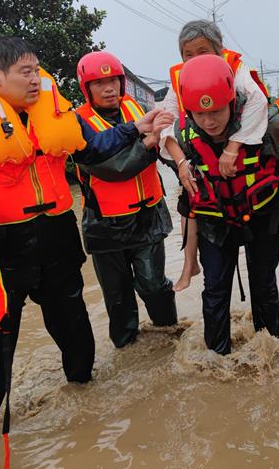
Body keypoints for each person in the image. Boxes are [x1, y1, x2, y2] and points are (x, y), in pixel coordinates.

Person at [0, 37, 173, 411]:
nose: (35, 79)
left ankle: (85, 399)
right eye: (25, 72)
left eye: (37, 71)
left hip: (57, 239)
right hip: (1, 247)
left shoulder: (53, 115)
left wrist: (136, 128)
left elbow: (94, 147)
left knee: (75, 331)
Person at [160, 20, 279, 291]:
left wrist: (232, 147)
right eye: (188, 55)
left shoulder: (235, 68)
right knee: (189, 194)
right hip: (205, 138)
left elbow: (258, 101)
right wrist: (180, 163)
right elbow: (166, 122)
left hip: (248, 122)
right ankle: (190, 263)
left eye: (203, 52)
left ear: (219, 49)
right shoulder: (180, 79)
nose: (195, 60)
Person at [175, 54, 279, 354]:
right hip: (216, 222)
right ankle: (216, 358)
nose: (209, 121)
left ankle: (271, 351)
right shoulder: (184, 139)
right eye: (200, 114)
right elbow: (188, 204)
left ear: (233, 101)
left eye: (216, 111)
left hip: (262, 215)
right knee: (214, 289)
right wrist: (190, 261)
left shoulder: (266, 128)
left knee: (263, 283)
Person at [74, 50, 177, 348]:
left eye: (113, 81)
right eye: (99, 82)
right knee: (117, 298)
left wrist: (185, 167)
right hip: (106, 223)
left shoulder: (137, 108)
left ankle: (169, 337)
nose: (109, 88)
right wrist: (147, 143)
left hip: (148, 216)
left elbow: (167, 145)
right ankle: (127, 351)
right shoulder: (78, 124)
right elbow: (111, 169)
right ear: (87, 88)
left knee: (155, 285)